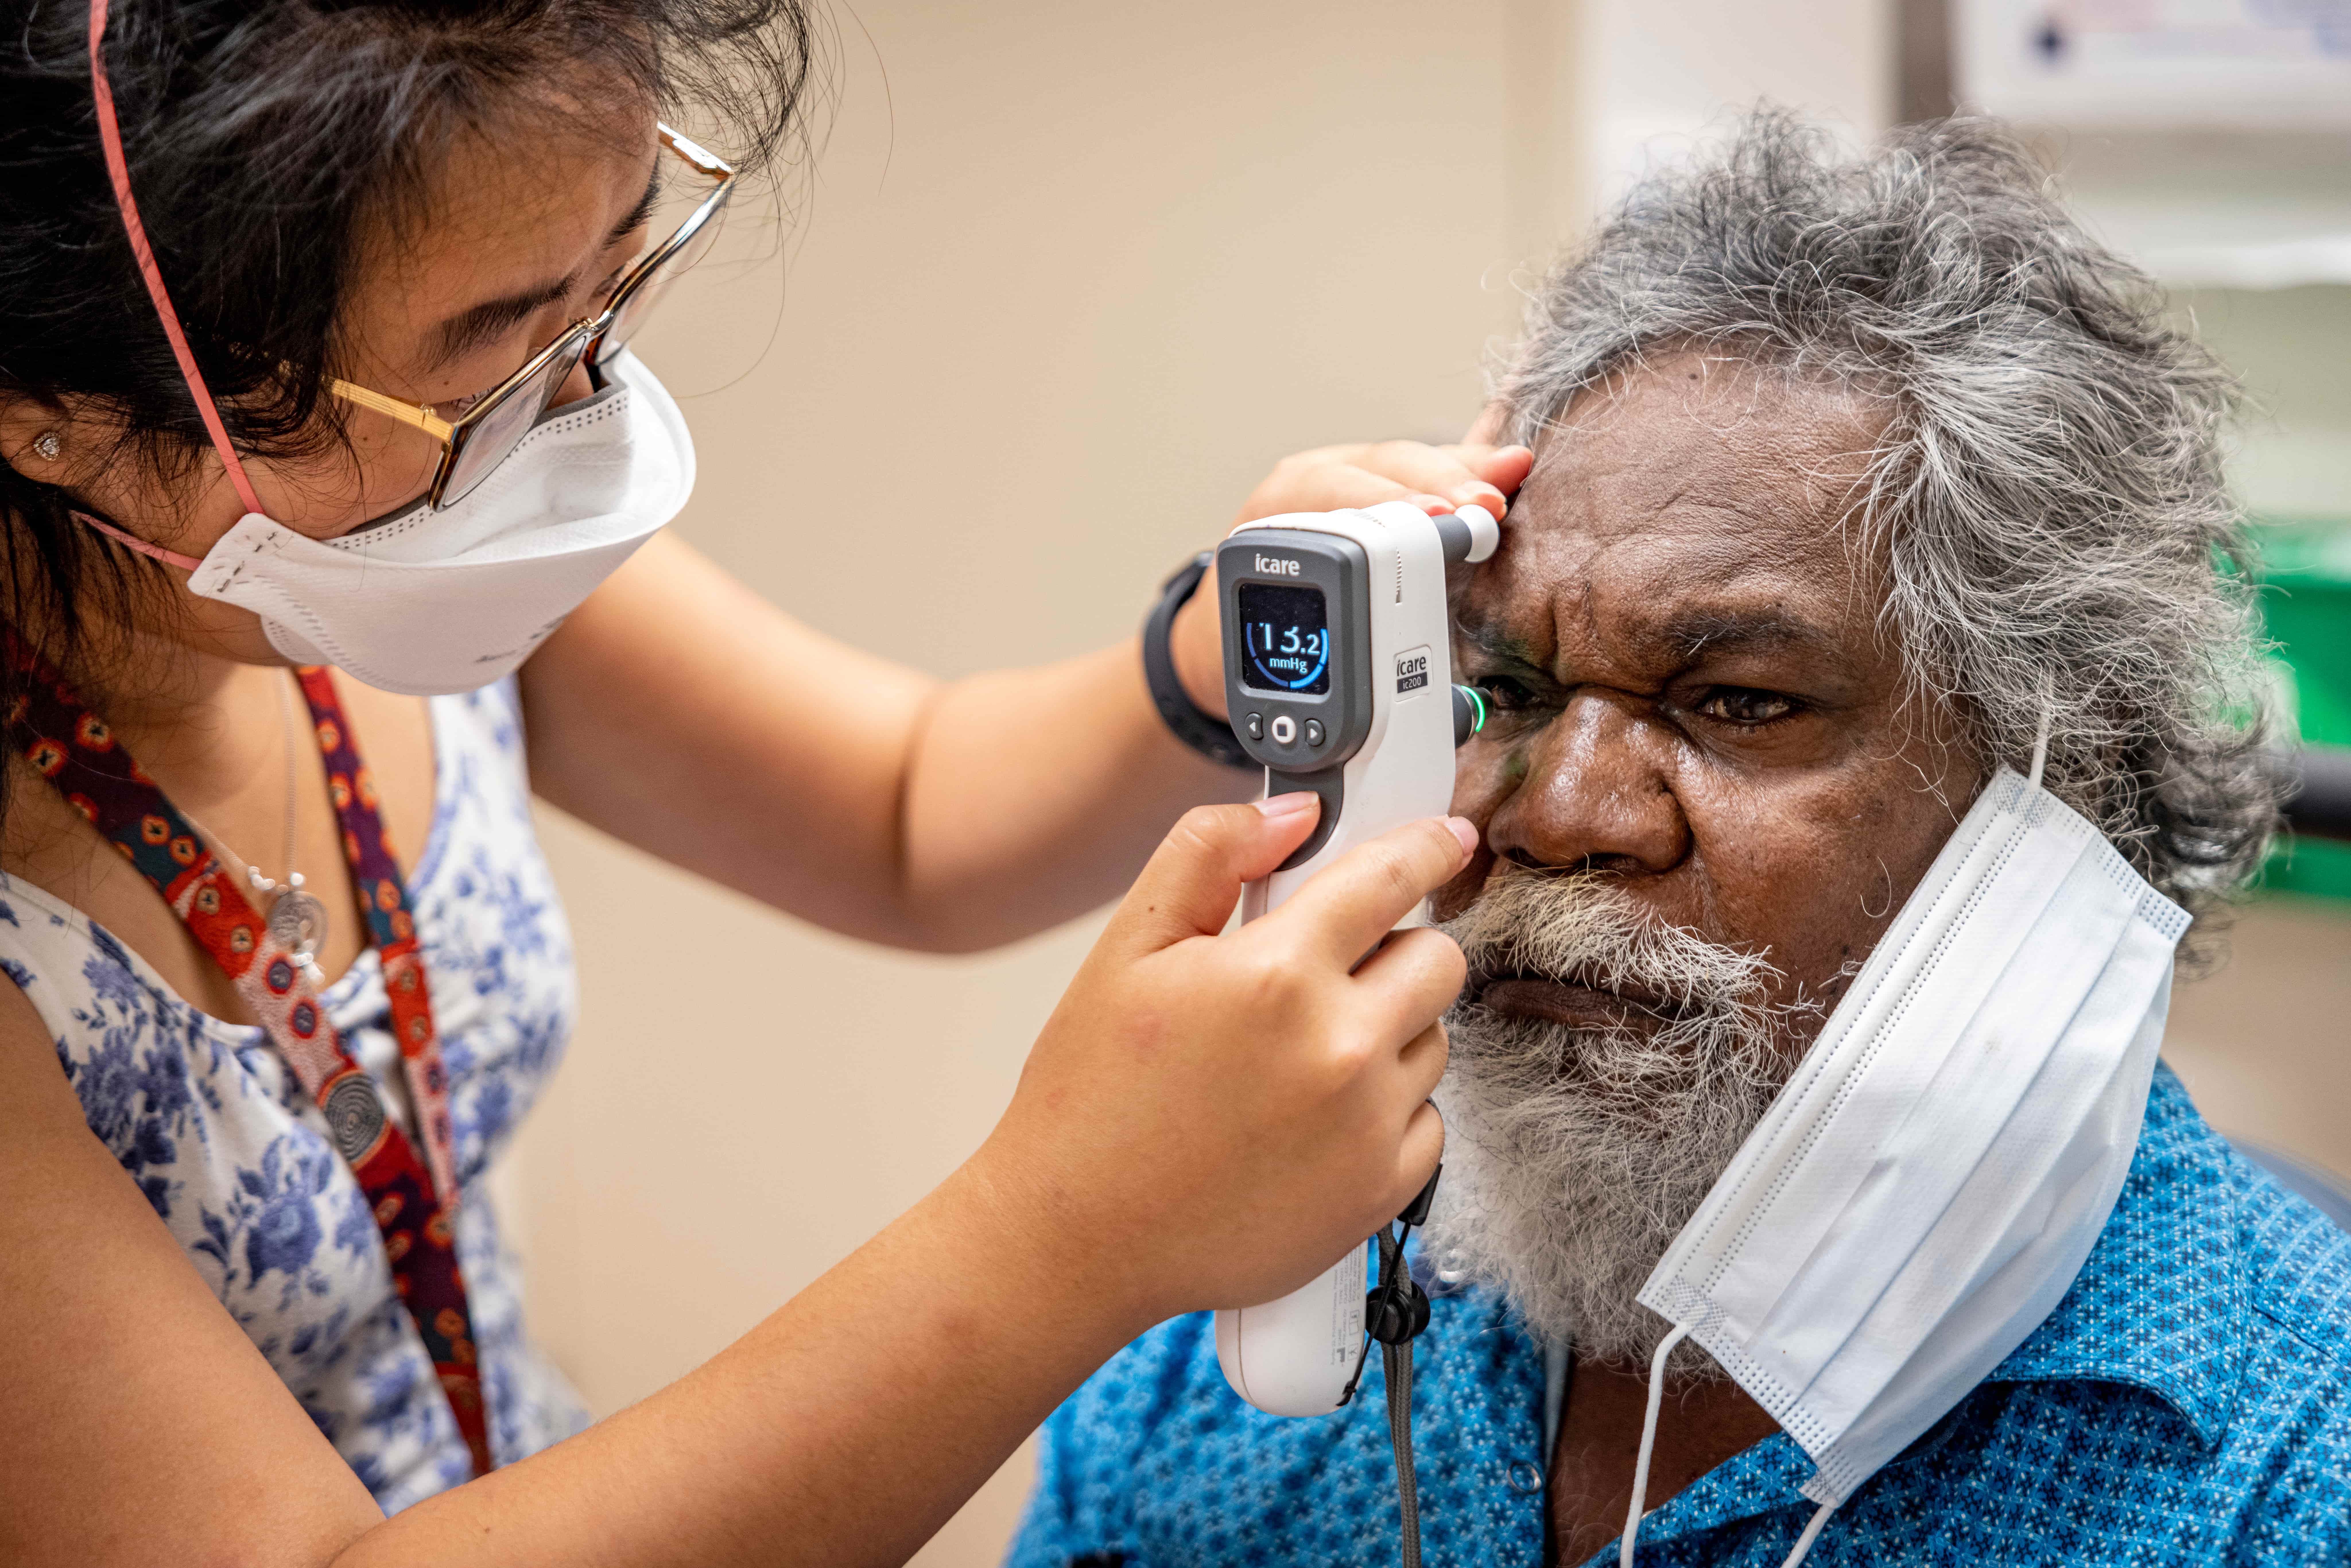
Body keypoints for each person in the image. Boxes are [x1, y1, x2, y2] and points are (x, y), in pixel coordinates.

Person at [0, 2, 1540, 1563]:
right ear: (49, 410)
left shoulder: (410, 559)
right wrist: (1068, 1228)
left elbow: (904, 816)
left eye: (612, 290)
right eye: (488, 355)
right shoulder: (370, 566)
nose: (579, 413)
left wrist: (1203, 661)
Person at [1009, 114, 2351, 1567]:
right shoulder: (1239, 1332)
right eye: (1504, 689)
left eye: (1736, 701)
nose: (1560, 810)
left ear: (2062, 774)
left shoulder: (2293, 1468)